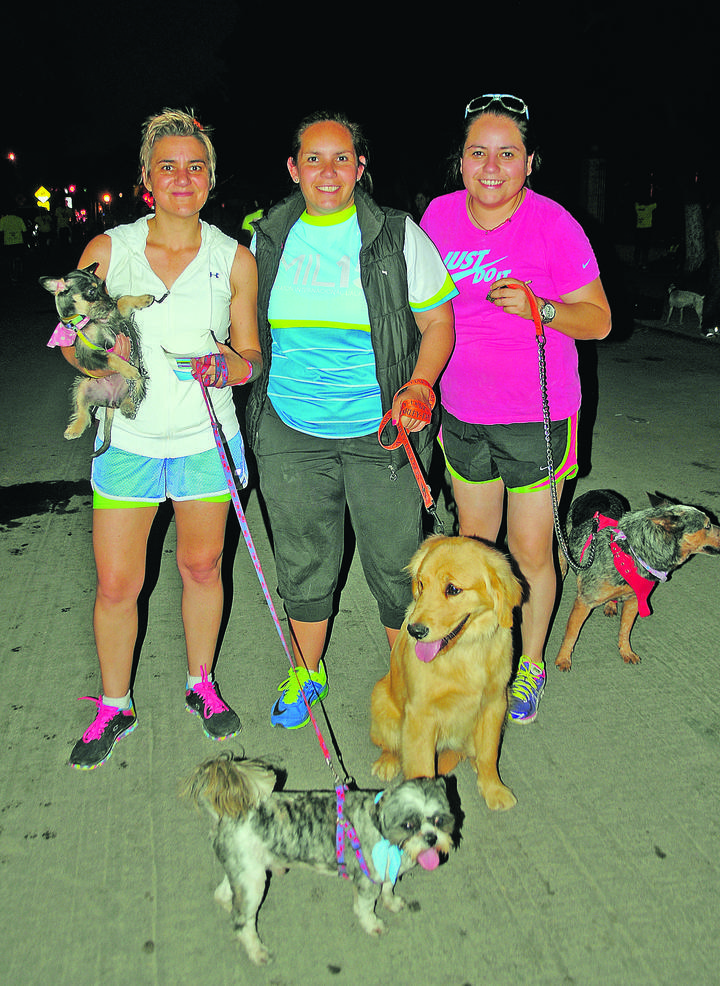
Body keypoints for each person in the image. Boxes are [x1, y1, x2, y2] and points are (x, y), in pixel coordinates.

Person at [55, 109, 261, 769]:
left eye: (194, 166)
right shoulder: (109, 251)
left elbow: (250, 353)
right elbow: (68, 339)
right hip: (130, 443)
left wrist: (234, 366)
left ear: (210, 179)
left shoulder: (234, 258)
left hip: (207, 439)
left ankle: (201, 683)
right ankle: (114, 706)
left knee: (202, 568)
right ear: (147, 178)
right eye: (167, 166)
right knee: (117, 584)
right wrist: (95, 354)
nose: (181, 177)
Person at [248, 111, 457, 729]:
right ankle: (307, 672)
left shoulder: (397, 234)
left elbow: (438, 322)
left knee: (398, 562)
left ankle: (409, 683)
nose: (328, 171)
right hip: (289, 426)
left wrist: (419, 385)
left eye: (342, 158)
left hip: (382, 425)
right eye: (313, 158)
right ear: (293, 169)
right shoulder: (266, 240)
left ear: (361, 168)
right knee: (304, 557)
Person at [420, 93, 611, 723]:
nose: (492, 166)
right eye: (479, 153)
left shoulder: (555, 225)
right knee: (474, 548)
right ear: (462, 161)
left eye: (508, 154)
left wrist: (544, 309)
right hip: (464, 413)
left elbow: (602, 322)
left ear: (530, 162)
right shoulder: (440, 219)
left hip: (539, 417)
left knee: (530, 550)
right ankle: (478, 656)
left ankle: (529, 666)